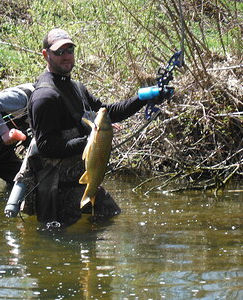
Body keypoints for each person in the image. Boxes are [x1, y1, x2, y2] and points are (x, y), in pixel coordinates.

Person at [28, 28, 172, 226]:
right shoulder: (45, 97)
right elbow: (46, 146)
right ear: (46, 55)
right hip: (58, 192)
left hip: (83, 181)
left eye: (69, 50)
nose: (66, 56)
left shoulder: (76, 87)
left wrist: (143, 98)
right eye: (59, 52)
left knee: (110, 217)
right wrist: (89, 142)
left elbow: (106, 112)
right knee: (64, 249)